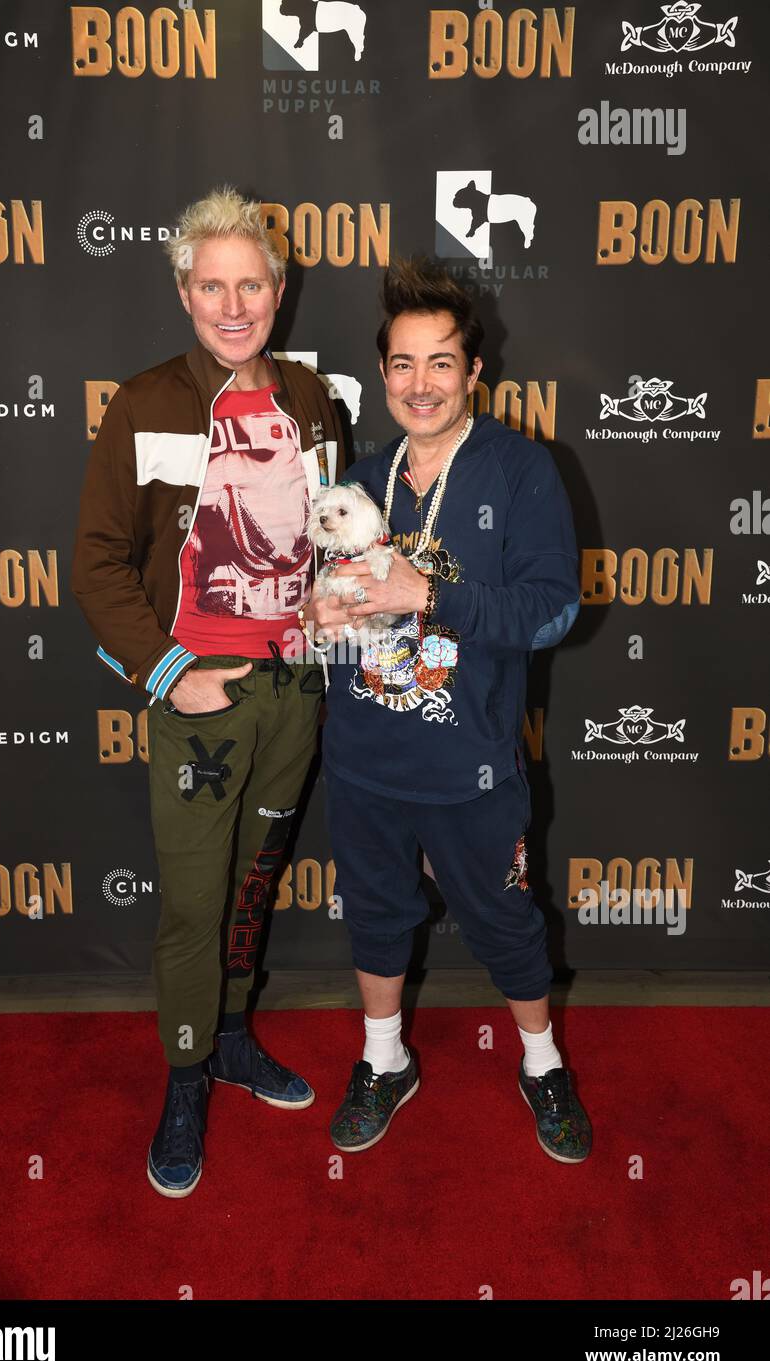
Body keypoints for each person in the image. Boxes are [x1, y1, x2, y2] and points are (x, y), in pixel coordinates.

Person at [72, 187, 346, 1198]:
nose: (233, 306)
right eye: (210, 287)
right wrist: (168, 673)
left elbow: (328, 534)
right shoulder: (144, 401)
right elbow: (96, 561)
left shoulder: (312, 398)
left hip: (294, 691)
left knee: (253, 882)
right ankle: (185, 1070)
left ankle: (231, 1037)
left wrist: (335, 607)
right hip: (200, 700)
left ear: (279, 289)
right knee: (192, 901)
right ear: (184, 292)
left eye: (251, 285)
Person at [306, 258, 591, 1164]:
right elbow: (339, 606)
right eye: (401, 364)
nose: (419, 384)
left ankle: (542, 1064)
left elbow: (552, 610)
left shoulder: (520, 469)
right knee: (377, 914)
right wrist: (326, 616)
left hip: (469, 762)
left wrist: (428, 596)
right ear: (382, 374)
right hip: (362, 755)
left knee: (504, 919)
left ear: (474, 372)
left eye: (440, 364)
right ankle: (384, 1060)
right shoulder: (362, 472)